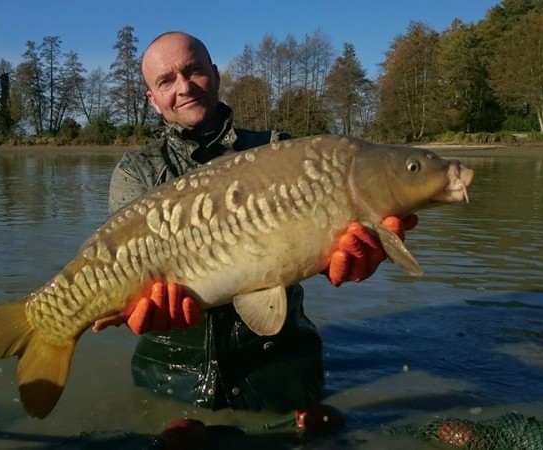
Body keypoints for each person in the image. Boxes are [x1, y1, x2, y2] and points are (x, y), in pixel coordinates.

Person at [100, 31, 416, 429]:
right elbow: (125, 271)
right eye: (166, 81)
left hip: (280, 372)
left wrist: (354, 257)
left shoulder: (279, 150)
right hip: (171, 376)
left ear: (214, 75)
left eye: (193, 70)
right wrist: (128, 303)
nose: (183, 87)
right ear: (152, 98)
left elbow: (320, 249)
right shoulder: (137, 172)